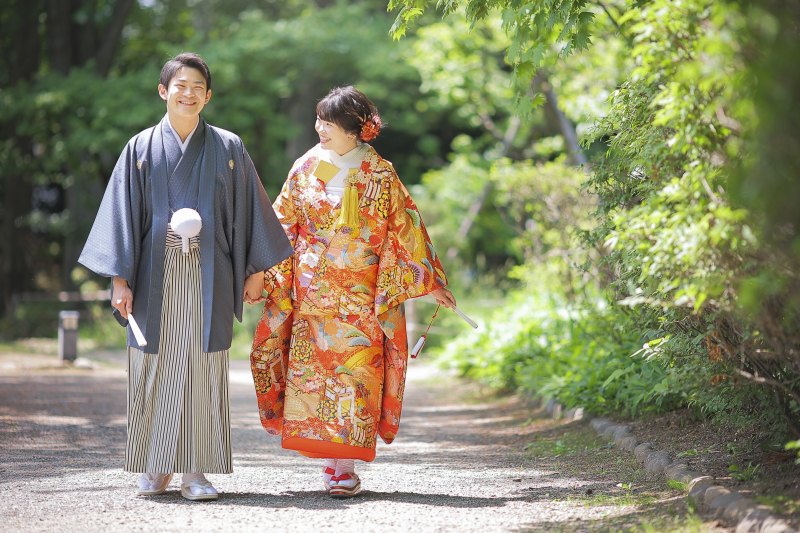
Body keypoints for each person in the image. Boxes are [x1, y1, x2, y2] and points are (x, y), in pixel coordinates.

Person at [78, 52, 293, 501]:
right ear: (164, 91)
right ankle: (156, 466)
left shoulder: (228, 147)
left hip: (208, 271)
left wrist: (254, 270)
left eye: (198, 86)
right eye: (180, 85)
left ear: (208, 95)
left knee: (201, 367)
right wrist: (119, 279)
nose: (189, 93)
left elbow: (250, 211)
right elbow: (120, 218)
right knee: (152, 365)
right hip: (152, 273)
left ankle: (195, 472)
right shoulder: (139, 148)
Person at [249, 86, 456, 498]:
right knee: (313, 374)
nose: (320, 129)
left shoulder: (381, 173)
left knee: (356, 375)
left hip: (362, 295)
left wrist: (430, 281)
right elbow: (281, 223)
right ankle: (330, 462)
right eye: (319, 120)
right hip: (310, 292)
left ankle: (342, 466)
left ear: (355, 129)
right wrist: (260, 273)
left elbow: (405, 229)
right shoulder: (307, 165)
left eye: (329, 123)